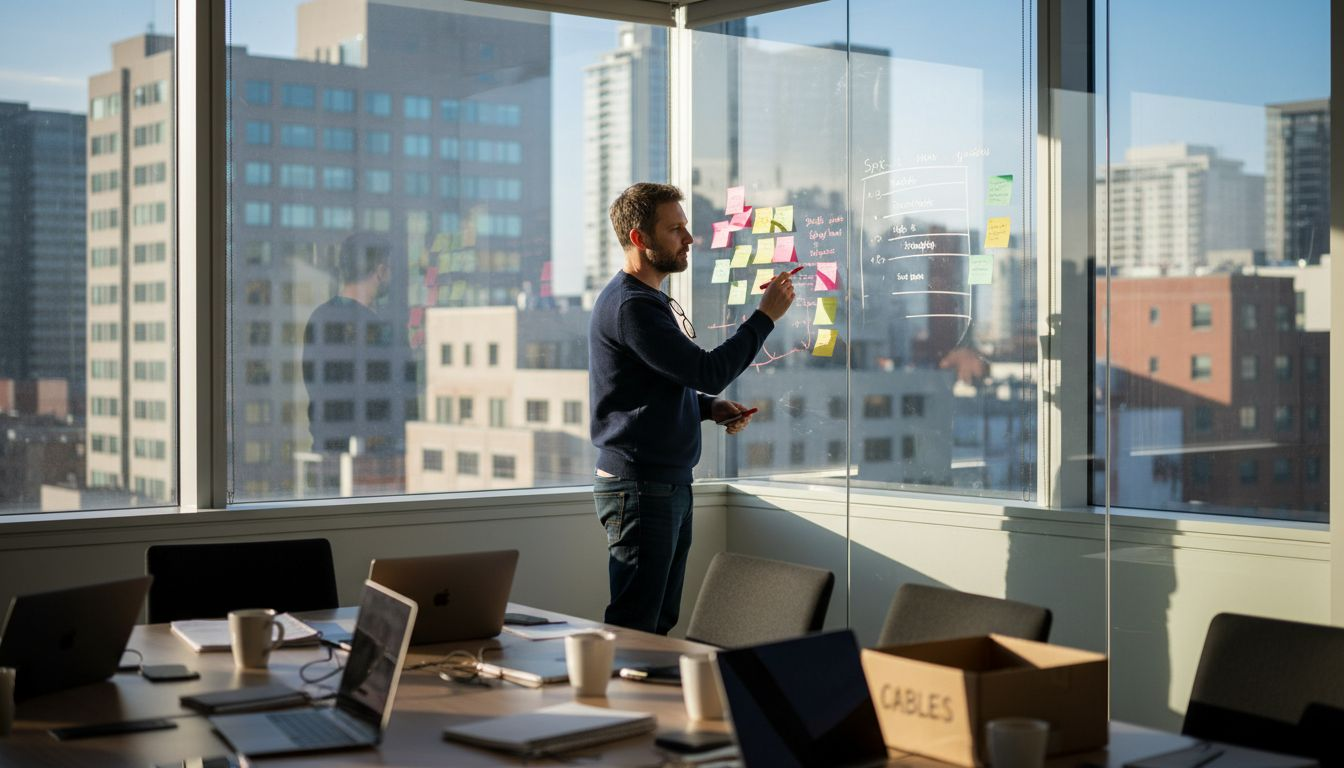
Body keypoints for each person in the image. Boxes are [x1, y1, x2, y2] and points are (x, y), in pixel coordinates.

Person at [589, 182, 796, 634]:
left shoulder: (648, 301)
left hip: (662, 484)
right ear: (640, 239)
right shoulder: (632, 307)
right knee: (636, 626)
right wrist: (765, 317)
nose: (689, 238)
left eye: (686, 227)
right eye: (675, 229)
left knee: (658, 622)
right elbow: (706, 370)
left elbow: (658, 387)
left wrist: (708, 408)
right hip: (641, 488)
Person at [302, 233, 411, 493]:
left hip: (326, 462)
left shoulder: (319, 318)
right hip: (371, 470)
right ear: (381, 270)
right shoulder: (381, 332)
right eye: (391, 268)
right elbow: (400, 399)